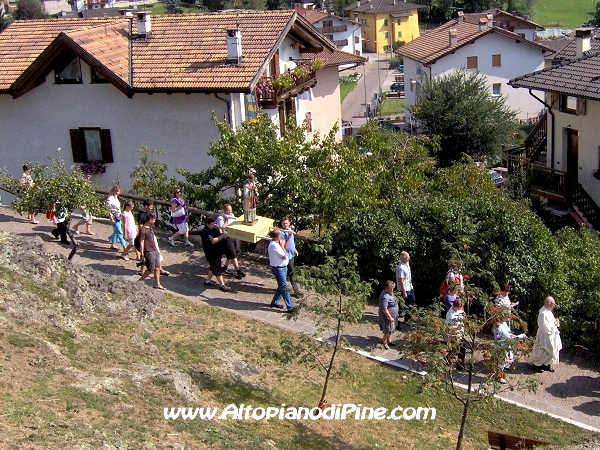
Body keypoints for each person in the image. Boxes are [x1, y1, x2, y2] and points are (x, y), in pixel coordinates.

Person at [135, 200, 171, 277]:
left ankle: (145, 270)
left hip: (150, 234)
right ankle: (156, 269)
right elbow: (140, 226)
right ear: (146, 206)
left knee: (153, 252)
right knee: (153, 252)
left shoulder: (148, 213)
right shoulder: (141, 215)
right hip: (147, 236)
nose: (151, 208)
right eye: (150, 206)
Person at [528, 296, 562, 373]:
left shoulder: (548, 311)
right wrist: (555, 324)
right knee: (543, 351)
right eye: (553, 304)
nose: (554, 306)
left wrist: (555, 322)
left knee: (551, 350)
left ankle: (546, 364)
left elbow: (551, 323)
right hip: (544, 336)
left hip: (551, 335)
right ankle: (537, 365)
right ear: (548, 304)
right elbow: (544, 327)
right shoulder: (543, 313)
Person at [267, 229, 295, 312]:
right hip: (279, 269)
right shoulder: (274, 245)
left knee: (281, 287)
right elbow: (284, 256)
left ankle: (274, 302)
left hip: (282, 268)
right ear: (278, 236)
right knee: (284, 288)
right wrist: (282, 245)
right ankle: (290, 307)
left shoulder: (276, 243)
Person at [200, 217, 230, 292]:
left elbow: (220, 232)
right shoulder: (205, 232)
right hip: (211, 254)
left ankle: (207, 281)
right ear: (207, 224)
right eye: (212, 224)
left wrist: (219, 229)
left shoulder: (214, 229)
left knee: (213, 267)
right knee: (218, 269)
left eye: (215, 223)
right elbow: (213, 241)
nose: (214, 225)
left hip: (217, 252)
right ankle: (222, 285)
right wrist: (223, 236)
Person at [216, 203, 246, 279]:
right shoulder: (220, 218)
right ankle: (238, 271)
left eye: (230, 210)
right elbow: (222, 228)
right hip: (227, 237)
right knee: (233, 254)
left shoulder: (232, 215)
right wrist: (226, 219)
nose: (230, 212)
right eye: (228, 210)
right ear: (224, 210)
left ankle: (225, 267)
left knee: (234, 252)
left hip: (233, 236)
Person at [138, 212, 165, 290]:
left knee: (157, 267)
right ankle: (140, 280)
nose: (154, 221)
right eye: (154, 219)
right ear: (150, 220)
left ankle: (157, 284)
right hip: (149, 251)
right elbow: (142, 242)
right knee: (151, 269)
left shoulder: (150, 227)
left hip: (154, 250)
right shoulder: (143, 230)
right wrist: (142, 254)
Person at [280, 216, 302, 297]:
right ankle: (296, 291)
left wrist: (295, 250)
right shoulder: (282, 233)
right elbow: (285, 246)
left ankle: (281, 286)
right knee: (292, 272)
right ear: (282, 224)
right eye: (284, 223)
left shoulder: (290, 230)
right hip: (287, 256)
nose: (285, 225)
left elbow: (292, 243)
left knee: (288, 273)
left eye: (287, 223)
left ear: (289, 223)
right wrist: (288, 236)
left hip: (291, 254)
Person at [446, 297, 466, 370]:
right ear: (455, 306)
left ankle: (460, 365)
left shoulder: (460, 311)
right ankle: (447, 361)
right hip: (453, 334)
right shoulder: (450, 314)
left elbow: (462, 319)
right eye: (459, 307)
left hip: (460, 333)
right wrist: (458, 326)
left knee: (462, 348)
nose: (460, 309)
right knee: (453, 350)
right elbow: (450, 326)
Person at [378, 280, 399, 350]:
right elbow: (384, 309)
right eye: (391, 288)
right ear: (386, 288)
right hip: (387, 317)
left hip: (392, 316)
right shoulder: (385, 297)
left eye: (393, 288)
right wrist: (390, 317)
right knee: (387, 330)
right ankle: (384, 342)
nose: (392, 290)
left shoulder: (389, 293)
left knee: (391, 329)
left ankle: (389, 341)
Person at [396, 251, 415, 322]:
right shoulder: (401, 267)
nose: (409, 258)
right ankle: (407, 319)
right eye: (408, 257)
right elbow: (401, 280)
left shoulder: (407, 264)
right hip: (405, 289)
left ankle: (407, 317)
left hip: (410, 286)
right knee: (408, 304)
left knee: (412, 302)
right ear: (404, 258)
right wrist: (404, 292)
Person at [107, 186, 126, 251]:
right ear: (115, 191)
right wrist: (111, 218)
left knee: (116, 232)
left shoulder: (116, 198)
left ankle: (112, 245)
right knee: (120, 232)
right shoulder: (110, 199)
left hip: (118, 216)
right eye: (119, 191)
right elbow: (108, 209)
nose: (120, 192)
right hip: (114, 217)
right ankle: (124, 247)